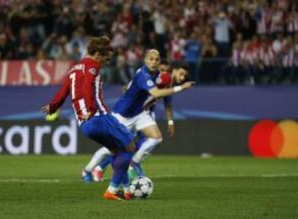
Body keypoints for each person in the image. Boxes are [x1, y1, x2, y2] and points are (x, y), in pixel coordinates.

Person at [42, 36, 135, 201]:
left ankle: (127, 190)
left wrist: (53, 106)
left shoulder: (74, 69)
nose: (107, 62)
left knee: (116, 150)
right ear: (98, 54)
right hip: (98, 117)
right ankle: (113, 190)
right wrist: (91, 110)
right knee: (129, 146)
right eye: (106, 58)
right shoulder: (92, 66)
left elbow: (64, 90)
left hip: (85, 125)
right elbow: (86, 87)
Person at [81, 50, 194, 182]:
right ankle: (88, 170)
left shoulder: (158, 74)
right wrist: (181, 88)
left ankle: (133, 163)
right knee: (111, 148)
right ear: (145, 60)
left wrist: (170, 122)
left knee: (156, 138)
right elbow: (156, 93)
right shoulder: (143, 75)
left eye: (156, 60)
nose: (154, 62)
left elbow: (165, 101)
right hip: (122, 114)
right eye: (151, 59)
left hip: (140, 113)